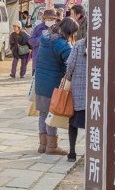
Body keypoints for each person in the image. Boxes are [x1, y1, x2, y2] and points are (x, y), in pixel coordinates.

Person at [33, 17, 78, 155]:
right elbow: (71, 62)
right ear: (68, 31)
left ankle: (43, 145)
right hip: (52, 82)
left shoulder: (46, 37)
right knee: (52, 113)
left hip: (40, 80)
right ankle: (51, 147)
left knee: (43, 113)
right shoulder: (61, 44)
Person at [64, 30, 87, 162]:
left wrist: (68, 77)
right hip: (95, 93)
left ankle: (72, 152)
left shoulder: (79, 45)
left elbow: (70, 65)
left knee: (73, 123)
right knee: (93, 125)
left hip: (78, 91)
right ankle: (91, 152)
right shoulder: (101, 45)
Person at [28, 9, 56, 74]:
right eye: (48, 19)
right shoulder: (38, 28)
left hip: (53, 63)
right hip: (38, 62)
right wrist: (42, 38)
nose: (50, 21)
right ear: (44, 19)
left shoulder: (58, 28)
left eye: (51, 20)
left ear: (55, 19)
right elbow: (31, 41)